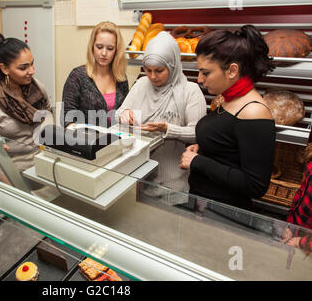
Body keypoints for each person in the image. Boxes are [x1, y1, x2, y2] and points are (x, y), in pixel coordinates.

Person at [179, 25, 276, 211]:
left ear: (232, 70)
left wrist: (198, 161)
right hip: (204, 207)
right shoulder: (228, 99)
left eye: (206, 72)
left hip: (224, 215)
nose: (199, 79)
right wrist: (205, 149)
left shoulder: (254, 112)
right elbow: (229, 148)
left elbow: (255, 185)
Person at [116, 31, 206, 193]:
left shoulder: (190, 91)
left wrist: (167, 129)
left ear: (173, 65)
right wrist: (124, 115)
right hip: (137, 177)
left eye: (159, 70)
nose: (152, 76)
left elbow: (197, 134)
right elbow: (120, 112)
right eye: (148, 70)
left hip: (172, 184)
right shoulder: (141, 84)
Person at [0, 33, 51, 173]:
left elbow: (48, 114)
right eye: (23, 68)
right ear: (4, 68)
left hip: (43, 161)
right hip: (12, 171)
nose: (31, 71)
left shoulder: (36, 87)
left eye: (32, 64)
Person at [61, 21, 128, 128]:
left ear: (116, 51)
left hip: (115, 141)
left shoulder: (121, 78)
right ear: (92, 47)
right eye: (99, 47)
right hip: (85, 141)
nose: (104, 53)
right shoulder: (77, 76)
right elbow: (67, 118)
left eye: (110, 48)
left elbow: (124, 111)